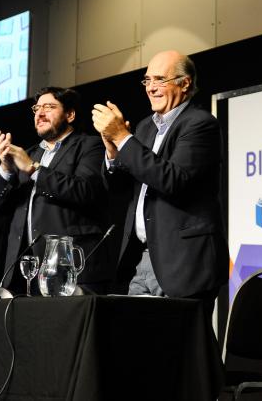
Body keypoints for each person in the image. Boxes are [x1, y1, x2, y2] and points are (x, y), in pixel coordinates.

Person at [91, 50, 229, 312]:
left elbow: (172, 180)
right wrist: (113, 152)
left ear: (185, 83)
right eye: (147, 80)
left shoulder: (200, 124)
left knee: (182, 337)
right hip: (142, 259)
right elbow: (123, 189)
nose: (151, 88)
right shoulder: (145, 127)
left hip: (184, 262)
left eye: (159, 80)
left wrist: (122, 138)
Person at [0, 86, 111, 294]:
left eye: (49, 107)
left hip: (68, 266)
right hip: (26, 270)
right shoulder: (28, 154)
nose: (40, 113)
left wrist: (34, 169)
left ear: (70, 115)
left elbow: (85, 190)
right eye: (37, 109)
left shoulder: (90, 146)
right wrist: (6, 168)